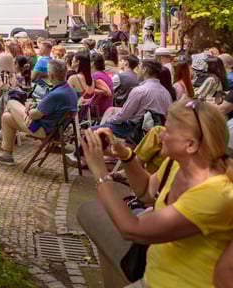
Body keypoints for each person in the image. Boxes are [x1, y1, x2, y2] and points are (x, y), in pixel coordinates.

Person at [81, 100, 233, 288]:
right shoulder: (176, 164)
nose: (161, 133)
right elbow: (145, 191)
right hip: (152, 279)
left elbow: (132, 229)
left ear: (191, 145)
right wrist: (124, 154)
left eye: (168, 130)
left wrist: (100, 173)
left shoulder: (214, 194)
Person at [0, 59, 77, 166]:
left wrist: (28, 109)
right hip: (54, 128)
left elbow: (34, 115)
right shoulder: (68, 89)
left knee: (11, 103)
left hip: (42, 130)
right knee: (6, 117)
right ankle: (6, 156)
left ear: (51, 75)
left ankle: (2, 138)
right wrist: (34, 105)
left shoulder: (57, 94)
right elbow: (46, 108)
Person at [99, 60, 173, 139]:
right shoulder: (166, 93)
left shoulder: (139, 90)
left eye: (139, 68)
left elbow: (123, 116)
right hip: (156, 132)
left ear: (144, 70)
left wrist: (108, 121)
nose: (137, 72)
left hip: (135, 131)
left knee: (94, 130)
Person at [89, 52, 114, 118]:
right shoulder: (103, 74)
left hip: (101, 110)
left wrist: (89, 89)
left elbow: (108, 92)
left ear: (92, 63)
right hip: (106, 108)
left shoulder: (95, 76)